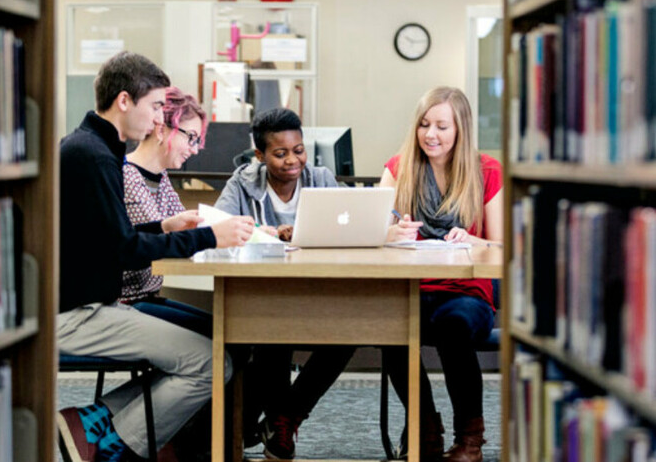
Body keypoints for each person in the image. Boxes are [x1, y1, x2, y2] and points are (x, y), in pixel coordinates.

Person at [57, 51, 255, 462]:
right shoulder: (93, 156)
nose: (158, 119)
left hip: (89, 305)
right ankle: (118, 450)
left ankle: (95, 422)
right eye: (155, 107)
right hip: (78, 314)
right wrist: (207, 238)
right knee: (210, 363)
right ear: (125, 101)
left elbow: (112, 240)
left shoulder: (93, 148)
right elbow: (125, 252)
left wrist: (164, 228)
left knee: (212, 354)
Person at [214, 107, 356, 460]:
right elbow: (218, 226)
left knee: (353, 331)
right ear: (260, 156)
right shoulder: (242, 183)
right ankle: (278, 429)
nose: (293, 161)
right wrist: (271, 233)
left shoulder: (321, 178)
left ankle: (286, 417)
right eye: (280, 153)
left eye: (299, 150)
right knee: (271, 338)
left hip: (319, 293)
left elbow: (349, 223)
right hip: (262, 296)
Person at [380, 86, 502, 462]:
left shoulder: (486, 171)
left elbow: (501, 246)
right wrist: (390, 233)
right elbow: (370, 233)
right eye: (424, 124)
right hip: (414, 286)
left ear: (461, 129)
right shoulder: (398, 168)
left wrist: (473, 238)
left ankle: (470, 440)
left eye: (442, 126)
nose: (430, 134)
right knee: (386, 324)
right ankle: (424, 427)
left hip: (467, 293)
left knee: (453, 325)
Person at [120, 86, 212, 338]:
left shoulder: (159, 177)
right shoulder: (128, 176)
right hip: (125, 305)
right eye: (191, 137)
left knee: (227, 328)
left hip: (146, 297)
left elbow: (186, 227)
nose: (193, 149)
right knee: (221, 333)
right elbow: (163, 243)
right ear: (161, 130)